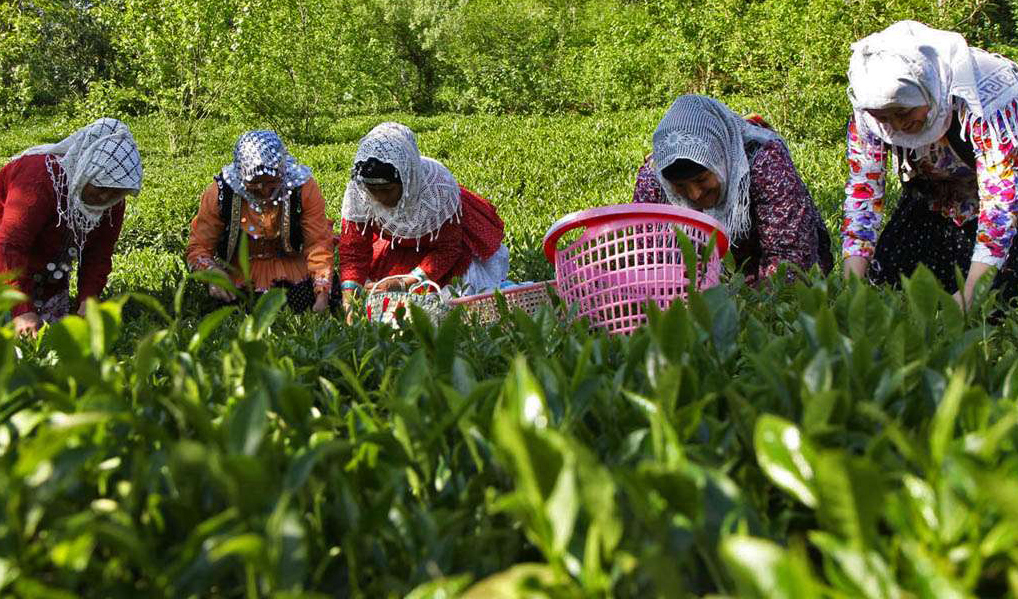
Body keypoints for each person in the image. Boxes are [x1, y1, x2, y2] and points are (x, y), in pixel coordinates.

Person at [842, 20, 1018, 309]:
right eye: (883, 117)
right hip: (938, 206)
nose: (897, 125)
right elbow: (864, 195)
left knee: (999, 304)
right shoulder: (869, 111)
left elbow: (1001, 206)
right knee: (890, 288)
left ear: (927, 90)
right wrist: (850, 288)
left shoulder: (985, 102)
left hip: (1005, 212)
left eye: (904, 111)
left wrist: (971, 294)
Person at [633, 94, 833, 285]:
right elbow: (646, 259)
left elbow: (789, 258)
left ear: (722, 161)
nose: (695, 194)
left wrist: (751, 306)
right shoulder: (653, 179)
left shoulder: (763, 163)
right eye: (680, 187)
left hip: (760, 279)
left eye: (702, 179)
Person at [337, 122, 508, 310]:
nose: (379, 198)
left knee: (445, 305)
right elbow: (354, 250)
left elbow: (447, 249)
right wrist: (349, 302)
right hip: (398, 246)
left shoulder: (437, 192)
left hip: (444, 251)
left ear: (407, 179)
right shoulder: (359, 193)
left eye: (387, 190)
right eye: (373, 190)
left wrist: (405, 282)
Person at [0, 117, 143, 337]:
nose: (105, 196)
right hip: (6, 263)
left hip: (47, 268)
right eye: (100, 185)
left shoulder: (112, 202)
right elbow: (9, 246)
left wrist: (88, 299)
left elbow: (98, 254)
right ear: (86, 168)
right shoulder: (39, 179)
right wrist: (21, 311)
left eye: (115, 191)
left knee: (52, 337)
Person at [186, 130, 337, 312]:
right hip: (239, 274)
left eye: (271, 183)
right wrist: (213, 274)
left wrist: (322, 291)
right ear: (241, 177)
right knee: (235, 307)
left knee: (300, 300)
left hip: (292, 269)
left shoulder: (302, 189)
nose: (264, 191)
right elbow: (199, 247)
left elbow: (318, 242)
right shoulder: (221, 194)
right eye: (255, 185)